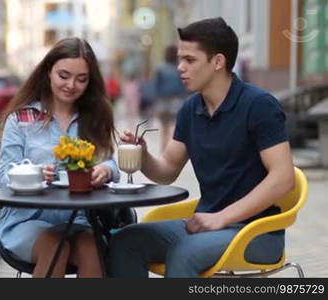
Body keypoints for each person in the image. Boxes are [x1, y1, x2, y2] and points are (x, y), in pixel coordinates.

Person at [108, 17, 295, 277]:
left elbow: (284, 178)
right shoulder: (190, 109)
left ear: (218, 62)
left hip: (257, 232)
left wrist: (222, 217)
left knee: (185, 252)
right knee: (125, 242)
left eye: (190, 60)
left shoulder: (259, 105)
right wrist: (144, 155)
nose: (180, 68)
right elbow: (167, 170)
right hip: (205, 225)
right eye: (180, 59)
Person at [0, 37, 120, 278]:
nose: (71, 85)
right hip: (26, 220)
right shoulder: (22, 119)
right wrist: (34, 176)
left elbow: (110, 161)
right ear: (49, 71)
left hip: (79, 219)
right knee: (57, 247)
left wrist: (108, 170)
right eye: (64, 75)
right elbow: (5, 177)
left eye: (81, 79)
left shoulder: (94, 118)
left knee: (95, 249)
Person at [153, 45, 187, 149]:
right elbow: (182, 85)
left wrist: (155, 99)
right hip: (176, 100)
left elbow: (156, 85)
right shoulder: (179, 68)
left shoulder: (160, 68)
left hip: (162, 100)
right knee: (174, 127)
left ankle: (163, 148)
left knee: (164, 127)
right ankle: (171, 149)